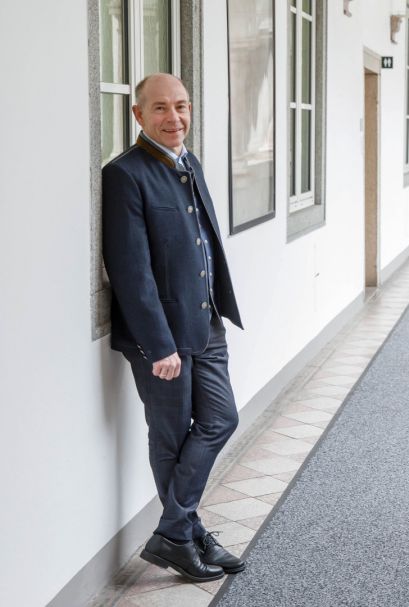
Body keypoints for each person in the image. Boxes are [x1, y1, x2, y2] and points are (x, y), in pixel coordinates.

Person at [102, 73, 246, 583]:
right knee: (170, 436)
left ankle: (176, 532)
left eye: (181, 106)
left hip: (205, 323)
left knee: (221, 419)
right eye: (160, 108)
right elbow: (130, 269)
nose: (174, 117)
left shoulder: (190, 162)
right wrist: (158, 344)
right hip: (160, 338)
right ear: (138, 114)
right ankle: (187, 537)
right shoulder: (125, 174)